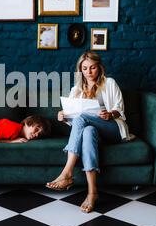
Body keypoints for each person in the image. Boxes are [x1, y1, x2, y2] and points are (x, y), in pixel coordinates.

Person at [46, 51, 130, 213]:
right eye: (85, 68)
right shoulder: (77, 89)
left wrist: (110, 114)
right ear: (80, 70)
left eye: (92, 68)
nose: (89, 72)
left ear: (99, 68)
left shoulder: (109, 83)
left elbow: (120, 109)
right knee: (88, 130)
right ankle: (92, 192)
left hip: (112, 128)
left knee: (83, 118)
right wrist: (63, 116)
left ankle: (67, 172)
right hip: (93, 131)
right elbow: (75, 122)